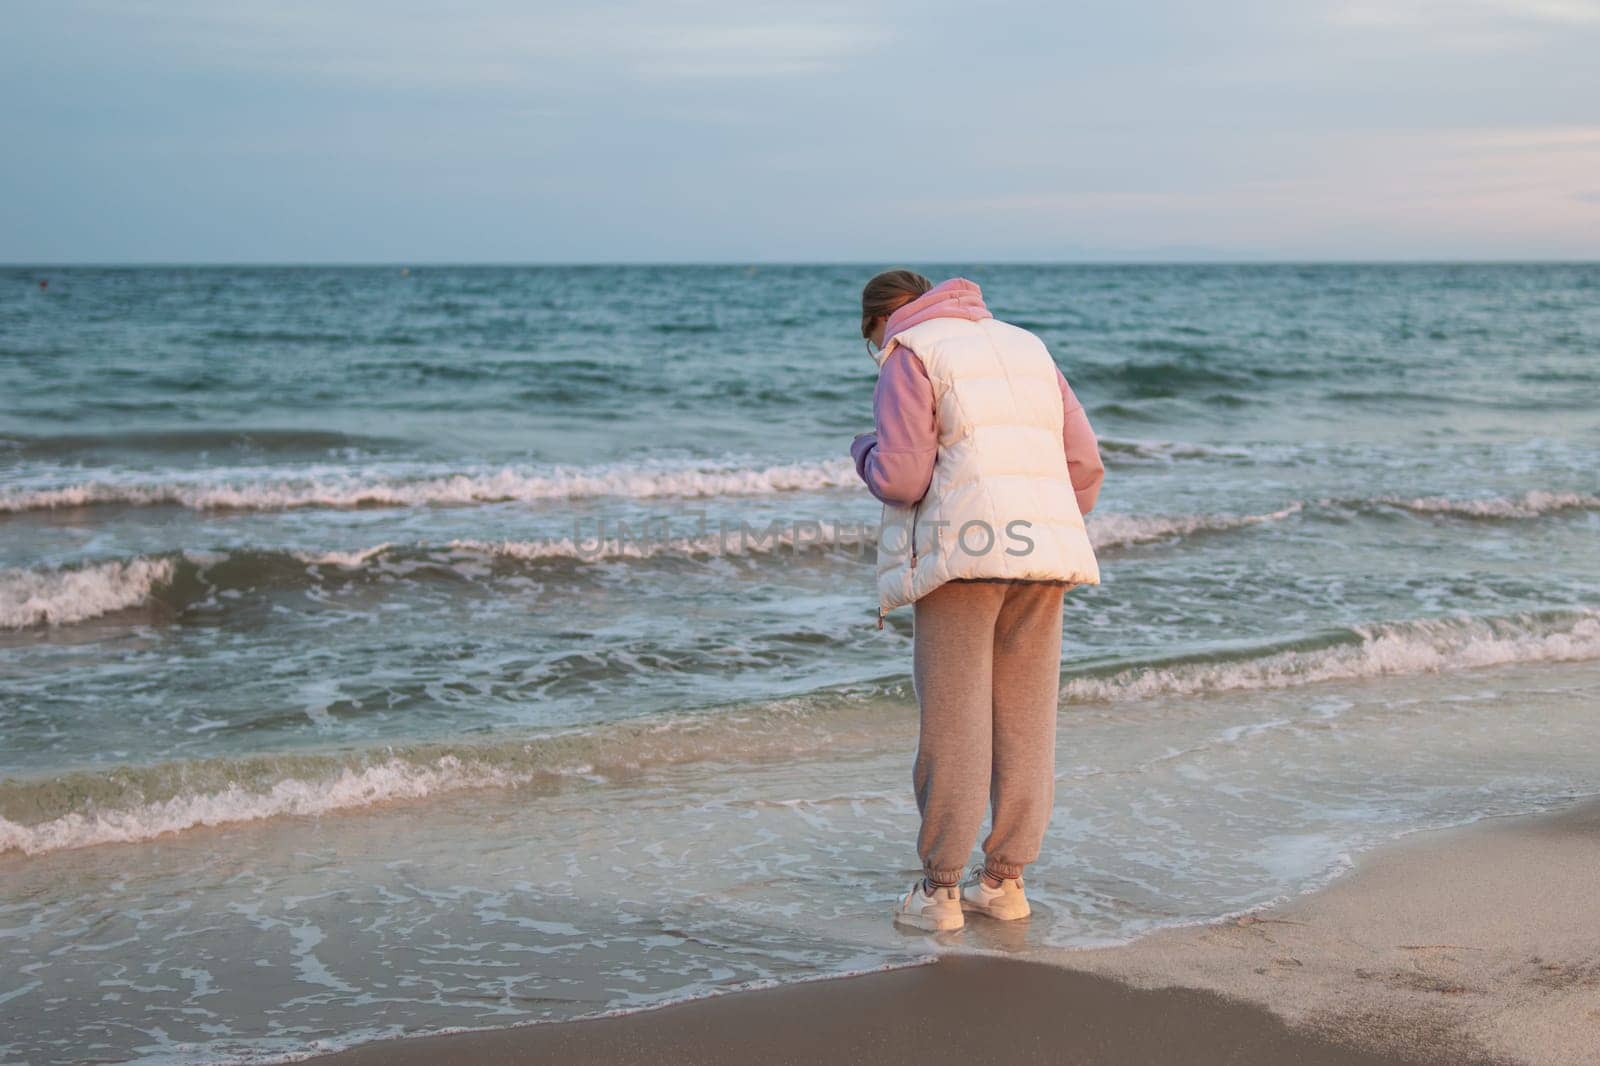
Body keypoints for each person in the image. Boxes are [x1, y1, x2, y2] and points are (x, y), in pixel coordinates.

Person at [849, 270, 1104, 932]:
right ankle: (1005, 882)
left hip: (966, 554)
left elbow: (902, 479)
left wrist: (863, 454)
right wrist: (1038, 517)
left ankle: (939, 895)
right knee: (1026, 720)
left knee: (955, 723)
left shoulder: (910, 352)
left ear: (877, 323)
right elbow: (1083, 467)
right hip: (1042, 551)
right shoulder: (1027, 346)